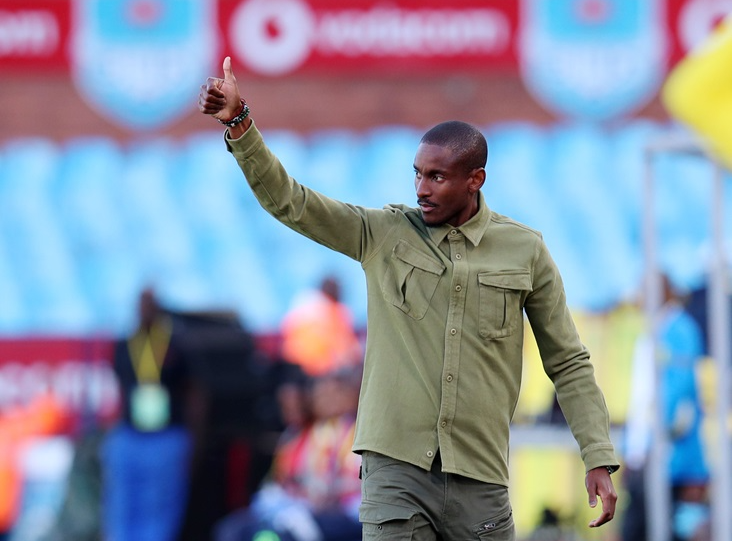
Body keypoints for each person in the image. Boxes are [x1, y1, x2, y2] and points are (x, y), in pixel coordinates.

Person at [198, 57, 619, 540]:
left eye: (437, 177)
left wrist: (597, 456)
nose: (421, 188)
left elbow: (567, 360)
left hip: (480, 476)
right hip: (394, 472)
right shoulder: (383, 233)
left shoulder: (525, 250)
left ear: (475, 180)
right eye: (417, 174)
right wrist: (239, 122)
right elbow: (291, 202)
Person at [280, 275, 363, 377]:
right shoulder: (336, 311)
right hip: (320, 371)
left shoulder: (301, 303)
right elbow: (347, 350)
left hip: (292, 367)